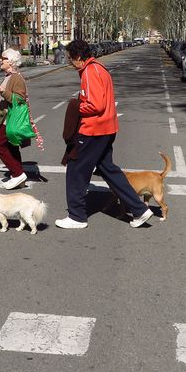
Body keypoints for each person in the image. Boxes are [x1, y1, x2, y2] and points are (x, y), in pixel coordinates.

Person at [55, 39, 152, 229]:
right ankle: (139, 209)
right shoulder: (100, 68)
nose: (70, 63)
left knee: (76, 170)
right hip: (107, 128)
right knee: (109, 170)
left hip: (93, 130)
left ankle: (77, 216)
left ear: (78, 57)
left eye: (70, 59)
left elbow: (95, 104)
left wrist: (76, 108)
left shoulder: (90, 72)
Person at [0, 48, 29, 189]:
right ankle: (18, 175)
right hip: (5, 118)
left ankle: (18, 173)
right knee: (12, 147)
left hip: (10, 119)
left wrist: (3, 92)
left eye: (3, 58)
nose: (0, 60)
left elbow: (20, 99)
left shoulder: (16, 78)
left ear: (11, 62)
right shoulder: (8, 76)